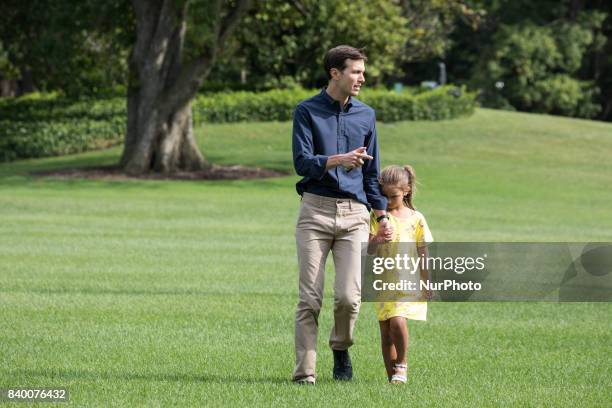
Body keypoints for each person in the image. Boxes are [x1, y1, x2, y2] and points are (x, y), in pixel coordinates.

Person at [292, 45, 393, 385]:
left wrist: (383, 216)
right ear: (335, 73)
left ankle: (340, 347)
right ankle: (305, 373)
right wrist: (338, 159)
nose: (362, 78)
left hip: (355, 216)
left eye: (363, 72)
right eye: (356, 71)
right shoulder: (306, 111)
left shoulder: (366, 115)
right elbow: (302, 163)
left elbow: (371, 171)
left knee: (349, 298)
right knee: (309, 298)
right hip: (315, 211)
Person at [368, 165, 433, 384]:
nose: (387, 201)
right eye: (383, 196)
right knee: (386, 334)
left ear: (406, 191)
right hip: (383, 283)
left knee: (397, 322)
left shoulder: (416, 218)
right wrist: (376, 239)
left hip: (407, 281)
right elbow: (367, 250)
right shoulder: (377, 217)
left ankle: (402, 364)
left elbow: (424, 252)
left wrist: (427, 282)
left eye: (393, 196)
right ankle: (393, 380)